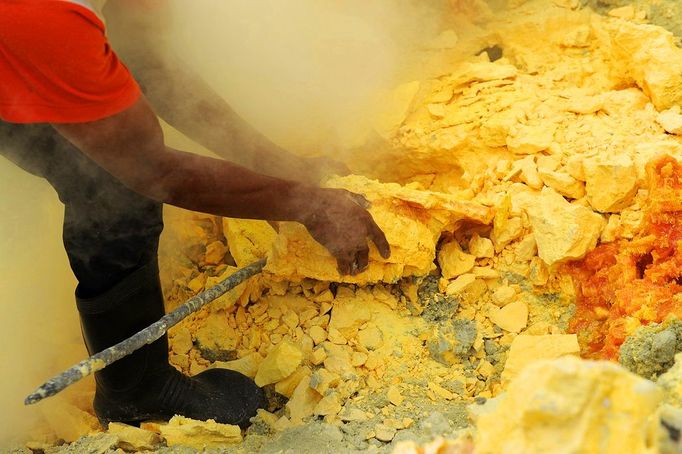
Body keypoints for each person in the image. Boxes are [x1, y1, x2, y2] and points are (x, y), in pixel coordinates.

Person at [0, 0, 390, 428]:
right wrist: (308, 205)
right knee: (108, 188)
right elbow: (149, 169)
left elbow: (146, 58)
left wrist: (275, 165)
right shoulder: (43, 18)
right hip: (18, 35)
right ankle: (137, 394)